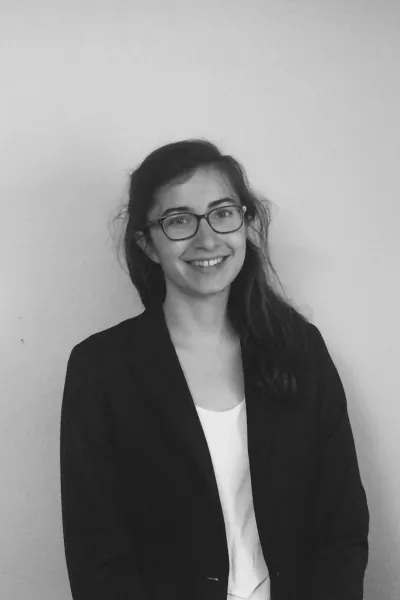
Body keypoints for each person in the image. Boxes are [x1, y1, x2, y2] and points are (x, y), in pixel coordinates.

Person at [60, 139, 369, 600]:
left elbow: (342, 522)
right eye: (179, 220)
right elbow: (96, 552)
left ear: (244, 223)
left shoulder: (299, 349)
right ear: (147, 243)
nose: (207, 239)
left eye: (222, 213)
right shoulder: (100, 370)